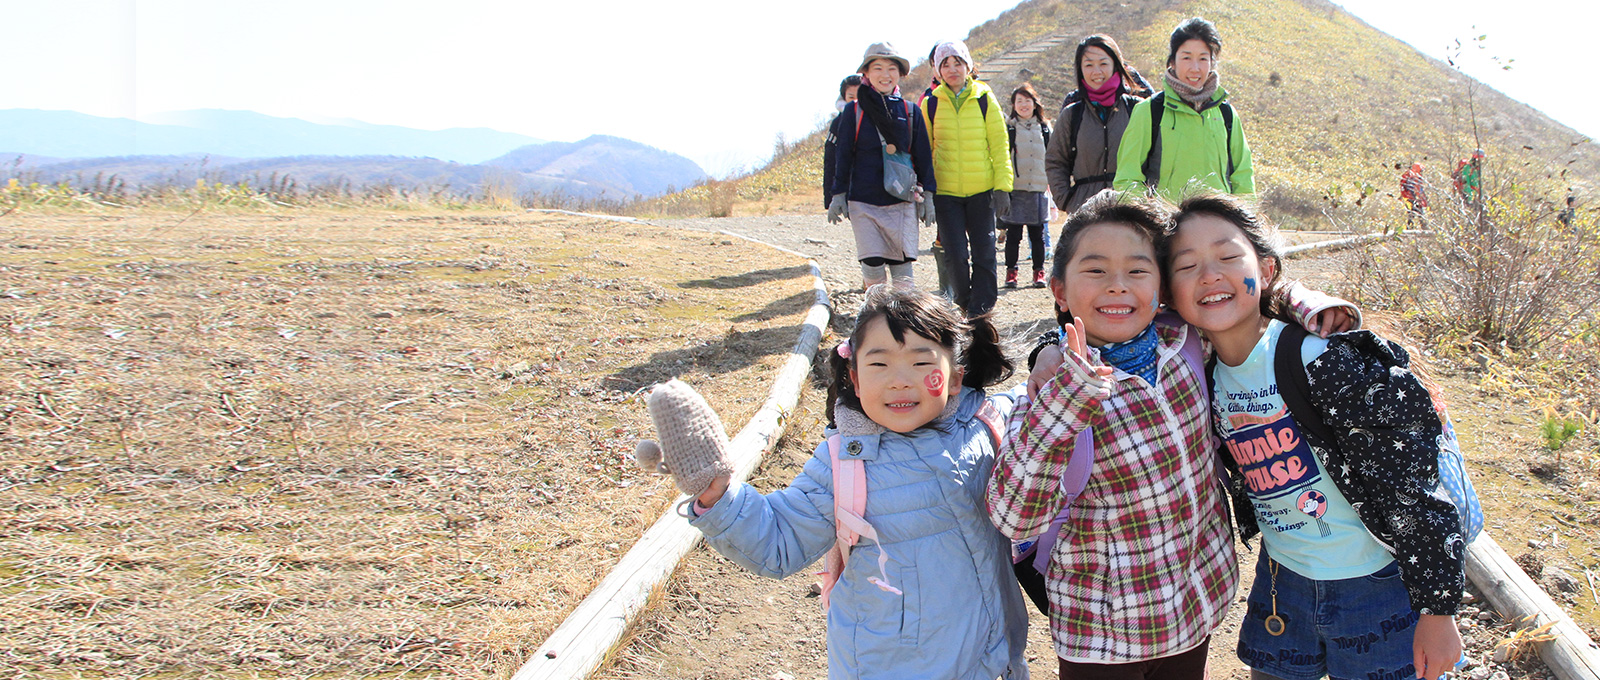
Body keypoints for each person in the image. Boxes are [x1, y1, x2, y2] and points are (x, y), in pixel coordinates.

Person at [990, 190, 1358, 680]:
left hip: (1193, 606)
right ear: (1059, 290)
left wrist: (1305, 301)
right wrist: (1063, 394)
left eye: (1138, 271)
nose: (1118, 287)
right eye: (1095, 270)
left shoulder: (1183, 340)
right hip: (1099, 631)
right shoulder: (1044, 393)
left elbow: (1235, 294)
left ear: (1161, 287)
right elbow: (1014, 516)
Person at [636, 286, 1030, 680]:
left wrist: (1050, 355)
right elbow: (780, 539)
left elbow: (1040, 404)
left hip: (996, 658)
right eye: (879, 365)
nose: (899, 381)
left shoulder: (986, 426)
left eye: (919, 362)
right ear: (855, 381)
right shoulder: (845, 462)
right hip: (892, 668)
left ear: (955, 378)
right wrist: (718, 495)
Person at [1163, 193, 1464, 680]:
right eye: (1186, 265)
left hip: (1376, 588)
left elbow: (1411, 483)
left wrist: (1437, 609)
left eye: (1227, 256)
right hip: (1283, 582)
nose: (1209, 275)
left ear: (1265, 269)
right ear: (1168, 292)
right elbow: (1114, 321)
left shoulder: (1319, 359)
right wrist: (1048, 351)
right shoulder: (1198, 367)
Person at [828, 43, 936, 290]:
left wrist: (928, 195)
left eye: (891, 68)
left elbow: (923, 157)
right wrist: (838, 194)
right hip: (863, 202)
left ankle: (902, 325)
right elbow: (842, 156)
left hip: (901, 201)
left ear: (899, 74)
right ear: (866, 73)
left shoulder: (910, 112)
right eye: (877, 68)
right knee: (873, 269)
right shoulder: (852, 112)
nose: (884, 75)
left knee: (903, 277)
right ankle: (876, 323)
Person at [1113, 17, 1253, 200]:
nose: (1195, 68)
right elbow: (1127, 179)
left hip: (1218, 225)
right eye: (1186, 58)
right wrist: (1150, 220)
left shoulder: (1226, 114)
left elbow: (1243, 178)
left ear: (1212, 62)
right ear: (1172, 61)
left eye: (1203, 58)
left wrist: (1242, 223)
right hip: (1166, 226)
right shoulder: (1150, 111)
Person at [924, 40, 1013, 316]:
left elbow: (999, 144)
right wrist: (926, 191)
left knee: (985, 254)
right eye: (945, 64)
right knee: (955, 255)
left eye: (957, 63)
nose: (952, 69)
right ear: (938, 71)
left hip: (982, 191)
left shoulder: (985, 98)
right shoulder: (931, 104)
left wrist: (1003, 187)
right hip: (946, 193)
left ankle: (982, 309)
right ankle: (964, 303)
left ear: (968, 66)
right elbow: (925, 150)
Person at [1046, 34, 1146, 215]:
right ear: (1080, 69)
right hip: (1083, 214)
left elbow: (1155, 158)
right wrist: (1066, 199)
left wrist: (1145, 199)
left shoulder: (1138, 109)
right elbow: (1056, 161)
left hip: (1131, 213)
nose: (1096, 72)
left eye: (1103, 63)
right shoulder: (1072, 114)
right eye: (1089, 65)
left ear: (1116, 64)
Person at [1002, 83, 1052, 289]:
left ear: (1035, 103)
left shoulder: (1046, 128)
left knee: (1037, 235)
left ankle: (1038, 272)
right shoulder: (1009, 128)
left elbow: (1054, 156)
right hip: (1015, 188)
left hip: (1039, 188)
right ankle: (1011, 272)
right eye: (1019, 101)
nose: (1023, 105)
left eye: (1027, 100)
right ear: (1013, 105)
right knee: (1013, 235)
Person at [822, 74, 863, 209]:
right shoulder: (838, 123)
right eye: (851, 97)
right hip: (850, 188)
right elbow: (830, 160)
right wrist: (830, 196)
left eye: (860, 95)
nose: (856, 101)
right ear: (844, 97)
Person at [1399, 162, 1428, 230]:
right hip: (1410, 198)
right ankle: (1423, 228)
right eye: (1421, 170)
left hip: (1413, 198)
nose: (1422, 172)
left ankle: (1411, 228)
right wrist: (1417, 198)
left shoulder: (1415, 176)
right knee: (1415, 212)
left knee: (1413, 213)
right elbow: (1413, 189)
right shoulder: (1411, 177)